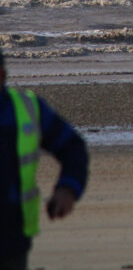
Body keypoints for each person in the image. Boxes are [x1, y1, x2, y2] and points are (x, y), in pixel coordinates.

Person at [0, 50, 88, 270]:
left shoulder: (26, 111)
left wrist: (68, 189)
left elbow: (73, 147)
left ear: (1, 75)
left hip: (11, 238)